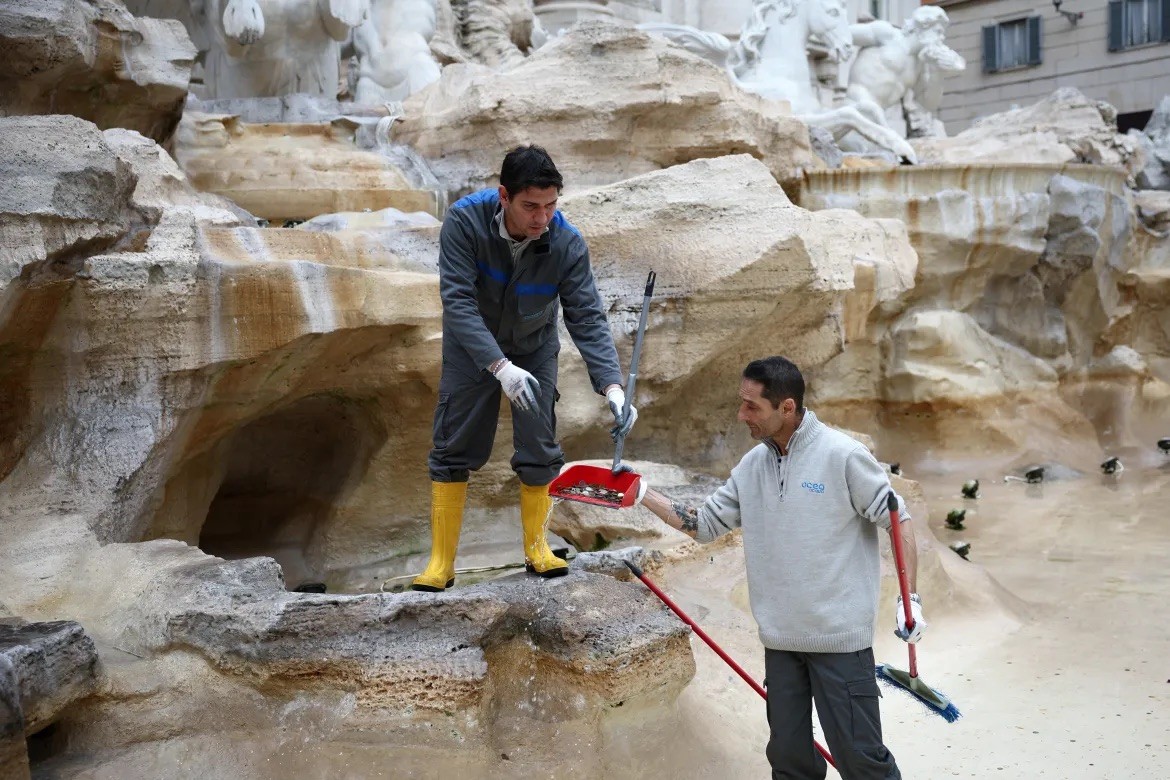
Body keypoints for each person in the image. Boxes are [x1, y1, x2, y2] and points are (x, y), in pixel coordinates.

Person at [630, 356, 925, 779]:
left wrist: (909, 597)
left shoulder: (842, 456)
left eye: (753, 407)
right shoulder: (751, 467)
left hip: (839, 641)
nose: (741, 415)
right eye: (742, 403)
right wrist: (643, 494)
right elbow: (703, 524)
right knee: (789, 763)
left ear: (786, 408)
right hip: (781, 644)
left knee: (862, 761)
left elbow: (898, 520)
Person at [412, 145, 636, 592]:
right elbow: (456, 300)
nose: (542, 218)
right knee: (453, 444)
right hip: (473, 344)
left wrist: (612, 386)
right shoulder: (464, 222)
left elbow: (586, 315)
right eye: (531, 206)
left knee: (540, 445)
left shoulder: (566, 242)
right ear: (504, 196)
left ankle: (537, 549)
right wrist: (498, 365)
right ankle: (441, 563)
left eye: (551, 206)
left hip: (533, 345)